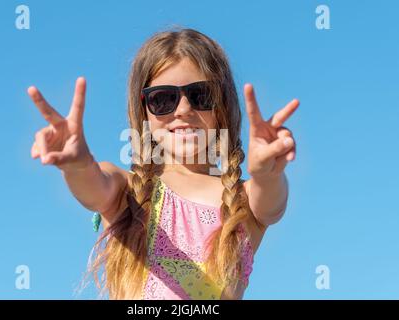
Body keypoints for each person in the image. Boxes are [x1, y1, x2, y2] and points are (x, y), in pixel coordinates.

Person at [27, 28, 298, 300]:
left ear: (223, 107)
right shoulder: (128, 190)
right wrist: (77, 164)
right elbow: (93, 186)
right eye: (163, 99)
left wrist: (268, 175)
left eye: (201, 95)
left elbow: (272, 204)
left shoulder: (244, 200)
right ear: (143, 110)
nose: (182, 110)